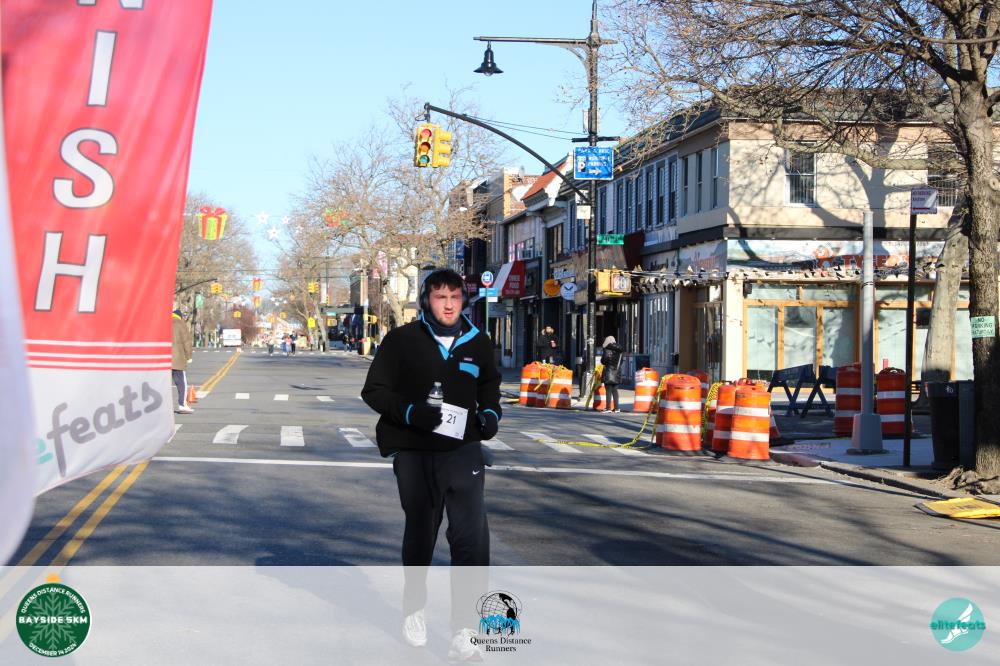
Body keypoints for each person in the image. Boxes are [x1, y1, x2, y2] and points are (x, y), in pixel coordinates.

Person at [362, 268, 501, 662]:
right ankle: (414, 609)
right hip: (415, 449)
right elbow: (374, 390)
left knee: (471, 538)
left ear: (463, 301)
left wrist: (490, 415)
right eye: (441, 297)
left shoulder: (478, 342)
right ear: (427, 301)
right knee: (422, 533)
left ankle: (465, 628)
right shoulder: (402, 340)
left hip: (463, 451)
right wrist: (410, 412)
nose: (449, 305)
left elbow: (489, 386)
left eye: (455, 297)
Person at [171, 308, 193, 414]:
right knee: (181, 383)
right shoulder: (181, 324)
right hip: (177, 359)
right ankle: (182, 405)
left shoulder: (163, 323)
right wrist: (189, 357)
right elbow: (186, 342)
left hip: (163, 359)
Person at [599, 335, 623, 413]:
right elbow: (621, 361)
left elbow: (603, 361)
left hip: (609, 372)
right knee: (615, 390)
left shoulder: (607, 349)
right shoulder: (620, 350)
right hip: (617, 372)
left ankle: (608, 408)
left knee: (608, 390)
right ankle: (617, 408)